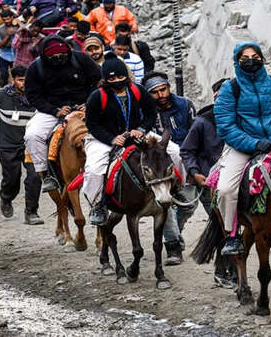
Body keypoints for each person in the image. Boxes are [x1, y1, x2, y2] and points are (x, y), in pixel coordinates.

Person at [214, 43, 271, 255]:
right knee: (225, 189)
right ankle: (230, 236)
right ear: (237, 61)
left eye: (255, 56)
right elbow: (226, 126)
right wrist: (254, 144)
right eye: (245, 57)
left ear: (262, 58)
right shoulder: (229, 89)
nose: (251, 60)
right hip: (241, 147)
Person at [82, 52, 159, 225]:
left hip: (137, 135)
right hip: (104, 139)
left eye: (120, 76)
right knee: (95, 170)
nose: (117, 80)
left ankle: (177, 189)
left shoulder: (138, 90)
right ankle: (97, 205)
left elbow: (151, 113)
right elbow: (92, 124)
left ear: (126, 75)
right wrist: (111, 139)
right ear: (105, 80)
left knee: (172, 150)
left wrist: (141, 129)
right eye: (112, 78)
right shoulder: (97, 96)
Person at [24, 35, 102, 192]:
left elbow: (99, 81)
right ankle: (46, 175)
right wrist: (54, 110)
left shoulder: (81, 59)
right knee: (32, 135)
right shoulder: (36, 68)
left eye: (62, 55)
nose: (59, 58)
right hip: (51, 110)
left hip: (85, 106)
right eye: (54, 56)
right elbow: (32, 95)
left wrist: (89, 103)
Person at [180, 78, 236, 286]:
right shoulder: (203, 122)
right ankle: (223, 270)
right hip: (209, 182)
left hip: (238, 177)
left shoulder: (243, 119)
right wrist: (194, 172)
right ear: (215, 99)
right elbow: (187, 151)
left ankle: (234, 269)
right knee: (223, 225)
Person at [143, 72, 196, 265]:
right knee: (164, 206)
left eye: (163, 89)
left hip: (187, 160)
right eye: (155, 92)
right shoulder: (146, 111)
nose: (160, 95)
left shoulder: (185, 105)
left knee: (188, 205)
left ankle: (176, 233)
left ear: (168, 87)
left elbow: (194, 130)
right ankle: (173, 246)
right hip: (160, 166)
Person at [0, 65, 42, 223]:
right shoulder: (0, 96)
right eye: (21, 80)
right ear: (12, 80)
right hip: (7, 145)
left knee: (35, 177)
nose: (24, 84)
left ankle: (31, 212)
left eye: (28, 80)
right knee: (12, 178)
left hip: (31, 145)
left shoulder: (39, 96)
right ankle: (6, 198)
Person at [0, 10, 18, 86]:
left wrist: (19, 22)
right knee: (3, 76)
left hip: (17, 55)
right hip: (4, 55)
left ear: (12, 17)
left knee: (17, 75)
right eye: (4, 20)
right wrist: (8, 35)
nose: (6, 21)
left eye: (8, 19)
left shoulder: (18, 26)